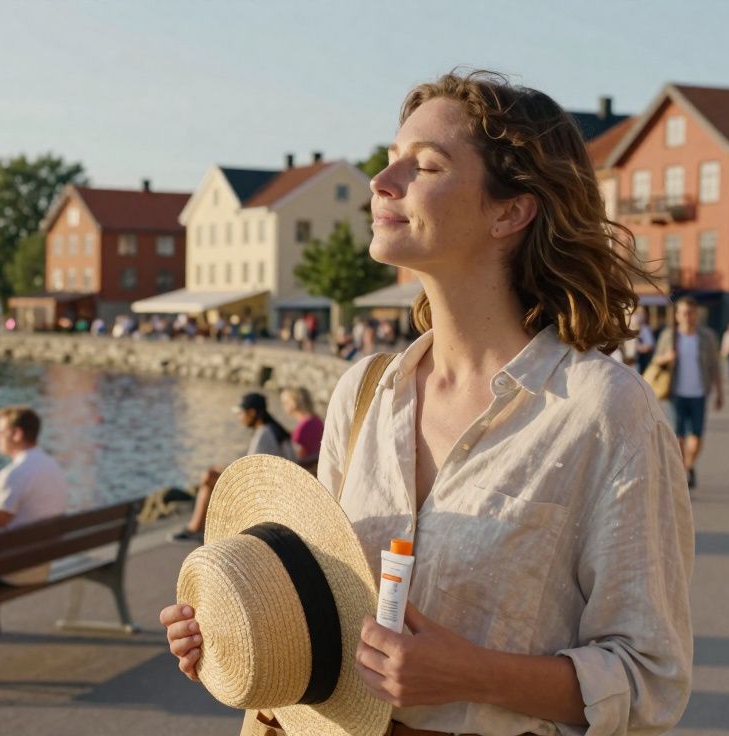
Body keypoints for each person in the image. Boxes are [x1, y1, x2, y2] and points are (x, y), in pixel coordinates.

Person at [163, 70, 692, 734]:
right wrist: (238, 631)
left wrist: (470, 673)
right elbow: (321, 620)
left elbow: (651, 681)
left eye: (427, 165)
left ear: (510, 211)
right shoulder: (364, 393)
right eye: (390, 162)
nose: (382, 183)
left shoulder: (601, 410)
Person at [0, 406, 68, 639]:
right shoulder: (52, 465)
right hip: (45, 561)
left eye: (1, 432)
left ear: (17, 434)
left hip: (19, 569)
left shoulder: (14, 473)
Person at [171, 392, 295, 543]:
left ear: (252, 413)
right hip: (279, 486)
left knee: (208, 477)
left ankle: (195, 528)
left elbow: (248, 470)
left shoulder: (263, 435)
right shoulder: (275, 430)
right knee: (212, 474)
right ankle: (197, 527)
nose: (239, 417)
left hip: (264, 491)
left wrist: (220, 471)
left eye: (240, 413)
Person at [654, 297, 724, 490]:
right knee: (679, 436)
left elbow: (715, 366)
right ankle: (683, 471)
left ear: (697, 315)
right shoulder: (669, 336)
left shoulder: (707, 337)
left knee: (697, 435)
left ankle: (689, 466)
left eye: (691, 313)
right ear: (677, 315)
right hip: (676, 393)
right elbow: (656, 360)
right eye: (683, 313)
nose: (688, 317)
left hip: (700, 392)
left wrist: (720, 392)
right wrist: (667, 357)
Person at [281, 387, 324, 471]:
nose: (283, 406)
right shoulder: (317, 420)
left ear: (294, 403)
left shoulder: (302, 428)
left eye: (285, 403)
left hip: (306, 470)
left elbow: (299, 457)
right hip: (317, 467)